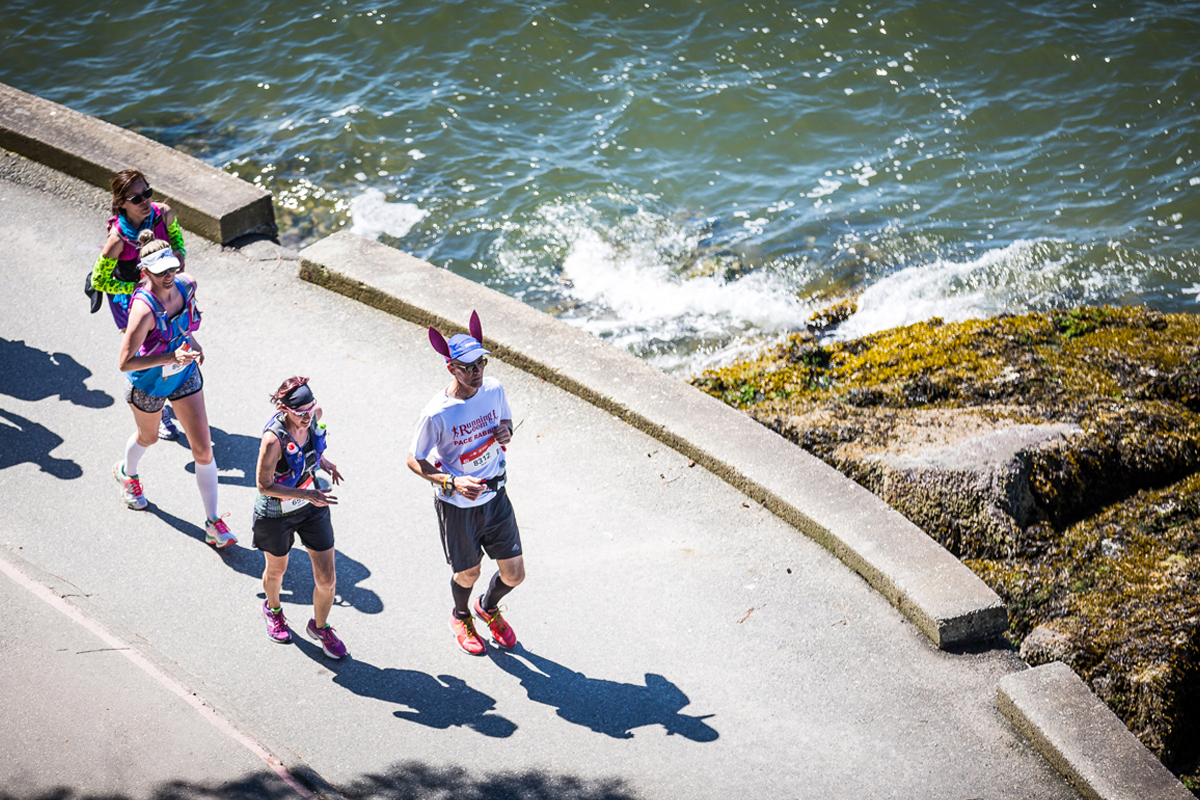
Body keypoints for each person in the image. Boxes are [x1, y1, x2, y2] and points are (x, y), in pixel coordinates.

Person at [407, 312, 525, 655]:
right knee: (468, 574)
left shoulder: (494, 389)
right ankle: (460, 616)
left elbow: (505, 422)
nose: (478, 372)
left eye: (482, 363)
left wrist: (506, 431)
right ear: (451, 369)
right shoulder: (437, 413)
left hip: (495, 496)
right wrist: (452, 482)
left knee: (515, 574)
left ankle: (486, 608)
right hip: (459, 507)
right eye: (468, 367)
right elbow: (414, 458)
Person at [113, 230, 236, 549]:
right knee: (148, 438)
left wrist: (192, 344)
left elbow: (184, 325)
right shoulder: (142, 310)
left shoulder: (187, 284)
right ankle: (127, 472)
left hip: (184, 374)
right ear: (144, 273)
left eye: (171, 268)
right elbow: (125, 363)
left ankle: (213, 523)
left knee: (204, 449)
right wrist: (171, 355)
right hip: (149, 383)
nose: (169, 276)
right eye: (160, 272)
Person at [252, 376, 347, 659]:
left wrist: (324, 463)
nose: (307, 417)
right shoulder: (273, 440)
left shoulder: (313, 418)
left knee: (328, 579)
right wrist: (308, 495)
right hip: (276, 512)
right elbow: (263, 485)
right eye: (300, 413)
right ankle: (273, 609)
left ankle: (320, 627)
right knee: (278, 570)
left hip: (311, 506)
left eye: (311, 409)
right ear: (285, 410)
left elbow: (309, 452)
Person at [91, 169, 188, 441]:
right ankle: (158, 410)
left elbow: (179, 242)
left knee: (172, 341)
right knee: (146, 354)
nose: (145, 201)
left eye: (147, 193)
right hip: (131, 300)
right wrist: (137, 288)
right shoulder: (118, 240)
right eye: (136, 198)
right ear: (121, 203)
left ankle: (174, 393)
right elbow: (100, 280)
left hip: (163, 287)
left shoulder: (165, 213)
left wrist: (177, 258)